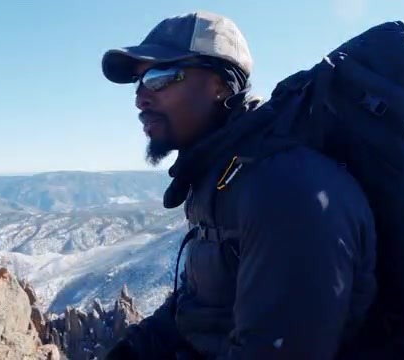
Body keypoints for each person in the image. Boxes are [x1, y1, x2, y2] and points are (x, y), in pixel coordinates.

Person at [100, 11, 380, 359]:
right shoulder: (221, 177)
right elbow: (199, 305)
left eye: (158, 78)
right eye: (138, 83)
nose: (140, 99)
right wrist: (134, 349)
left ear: (219, 84)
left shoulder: (285, 191)